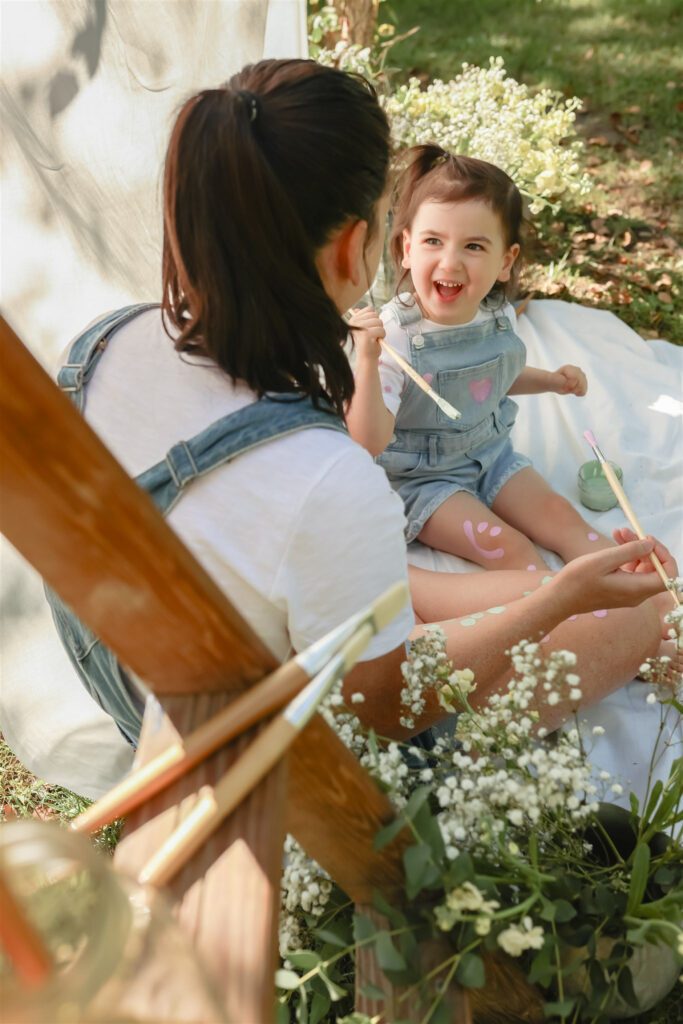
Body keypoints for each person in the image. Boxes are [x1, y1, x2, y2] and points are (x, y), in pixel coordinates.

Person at [46, 60, 677, 755]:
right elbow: (381, 703)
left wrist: (540, 586)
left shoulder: (101, 343)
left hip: (130, 678)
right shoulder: (330, 472)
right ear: (358, 246)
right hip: (274, 752)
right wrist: (556, 601)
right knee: (642, 613)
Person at [346, 145, 613, 572]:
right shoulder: (396, 337)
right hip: (423, 480)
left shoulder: (496, 316)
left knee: (562, 518)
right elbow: (367, 440)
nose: (450, 262)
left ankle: (647, 599)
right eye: (434, 241)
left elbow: (491, 379)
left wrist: (550, 381)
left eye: (473, 245)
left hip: (491, 455)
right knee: (508, 548)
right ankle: (568, 626)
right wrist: (365, 358)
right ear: (406, 249)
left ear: (505, 262)